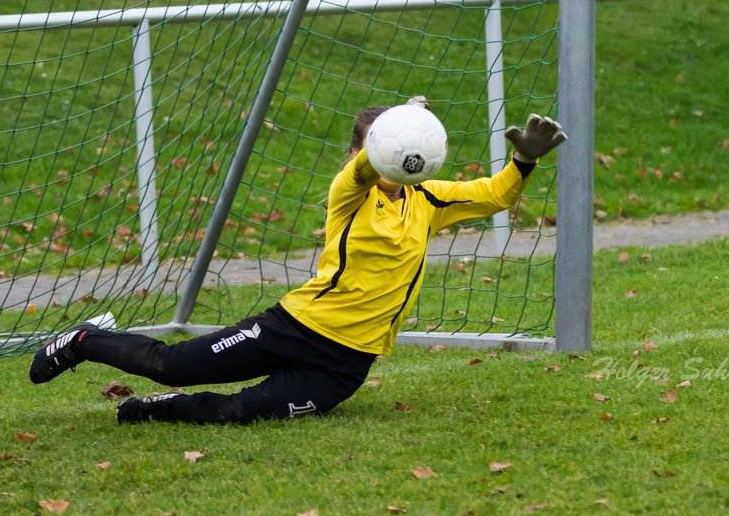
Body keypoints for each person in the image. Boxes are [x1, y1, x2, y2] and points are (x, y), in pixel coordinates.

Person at [28, 98, 567, 424]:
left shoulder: (429, 198)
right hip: (296, 328)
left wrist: (524, 161)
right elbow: (360, 171)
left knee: (238, 414)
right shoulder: (350, 192)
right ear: (363, 151)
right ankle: (84, 340)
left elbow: (495, 195)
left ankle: (153, 410)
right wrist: (388, 138)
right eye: (375, 150)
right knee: (176, 364)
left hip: (345, 366)